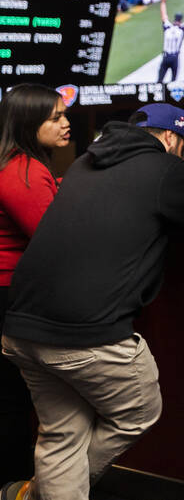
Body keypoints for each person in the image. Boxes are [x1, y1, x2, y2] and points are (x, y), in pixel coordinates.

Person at [1, 103, 184, 500]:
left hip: (19, 328)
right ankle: (43, 491)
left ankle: (33, 494)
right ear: (170, 138)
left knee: (62, 435)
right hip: (87, 334)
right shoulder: (166, 169)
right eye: (182, 146)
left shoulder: (82, 164)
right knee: (139, 411)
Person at [0, 85, 68, 482]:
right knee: (13, 402)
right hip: (11, 296)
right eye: (54, 117)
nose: (65, 122)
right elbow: (53, 242)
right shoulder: (21, 170)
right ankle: (15, 485)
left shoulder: (22, 163)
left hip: (13, 293)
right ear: (29, 123)